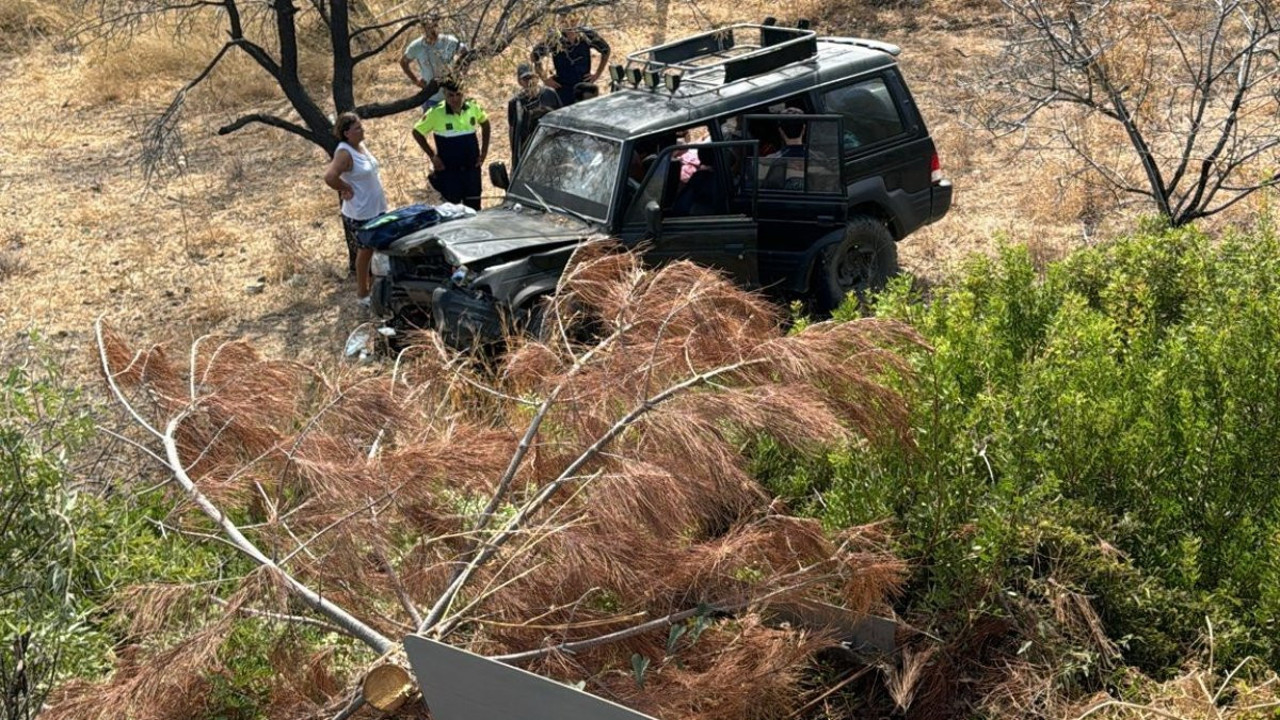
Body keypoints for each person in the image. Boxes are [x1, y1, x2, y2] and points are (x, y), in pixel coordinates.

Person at [324, 112, 388, 306]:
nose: (362, 130)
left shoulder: (360, 146)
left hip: (376, 207)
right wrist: (346, 187)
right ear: (346, 133)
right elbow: (330, 177)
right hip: (361, 212)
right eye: (357, 128)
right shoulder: (344, 153)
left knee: (377, 249)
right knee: (365, 251)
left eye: (361, 126)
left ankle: (377, 288)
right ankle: (362, 293)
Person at [412, 80, 491, 211]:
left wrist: (484, 153)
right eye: (451, 95)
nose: (455, 99)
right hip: (450, 171)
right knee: (453, 210)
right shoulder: (435, 113)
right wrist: (432, 156)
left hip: (471, 169)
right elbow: (417, 132)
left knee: (474, 209)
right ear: (444, 94)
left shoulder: (472, 107)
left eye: (458, 94)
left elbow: (485, 123)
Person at [531, 16, 611, 107]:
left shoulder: (586, 34)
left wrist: (597, 74)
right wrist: (545, 79)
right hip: (563, 86)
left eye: (573, 21)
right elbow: (535, 56)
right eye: (566, 22)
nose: (570, 25)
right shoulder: (555, 37)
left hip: (584, 84)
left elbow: (606, 50)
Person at [400, 13, 467, 110]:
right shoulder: (417, 46)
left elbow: (465, 52)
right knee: (431, 119)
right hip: (431, 97)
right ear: (423, 28)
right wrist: (416, 81)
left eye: (434, 26)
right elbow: (403, 62)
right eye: (428, 27)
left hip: (452, 96)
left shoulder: (448, 41)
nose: (432, 30)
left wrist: (460, 72)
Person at [507, 63, 561, 172]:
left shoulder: (550, 94)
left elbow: (561, 118)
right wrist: (515, 156)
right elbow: (513, 130)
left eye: (531, 77)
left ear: (537, 77)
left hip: (551, 143)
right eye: (525, 78)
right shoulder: (516, 102)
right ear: (519, 81)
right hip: (529, 148)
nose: (529, 81)